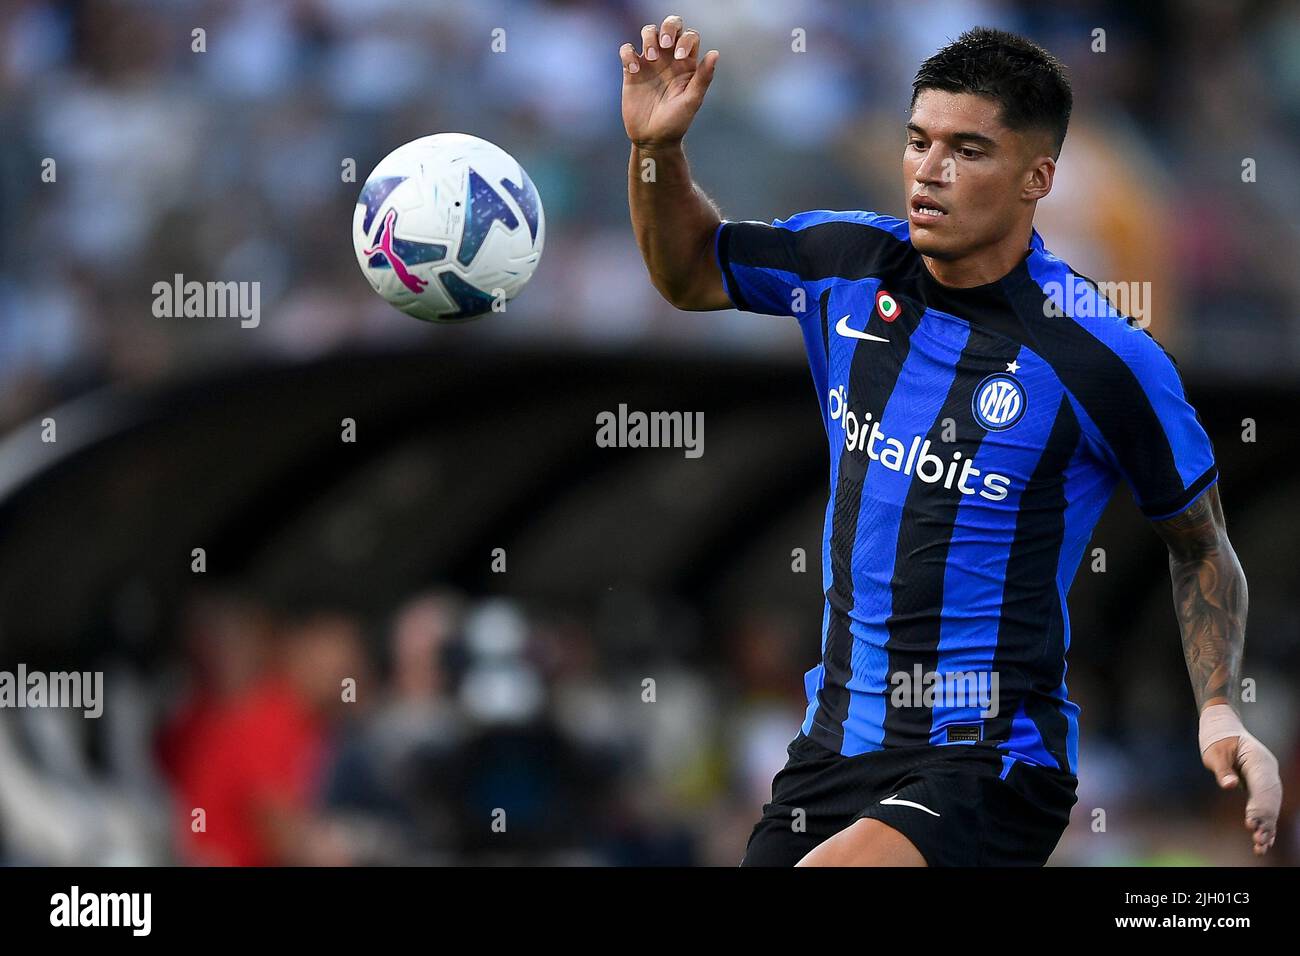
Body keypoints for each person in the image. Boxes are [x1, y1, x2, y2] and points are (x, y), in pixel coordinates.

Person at [620, 16, 1282, 866]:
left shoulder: (1100, 355)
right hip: (832, 749)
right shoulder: (845, 263)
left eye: (968, 150)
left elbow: (1201, 546)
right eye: (917, 140)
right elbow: (688, 270)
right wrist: (656, 152)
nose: (928, 172)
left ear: (1037, 175)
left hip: (989, 760)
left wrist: (1221, 708)